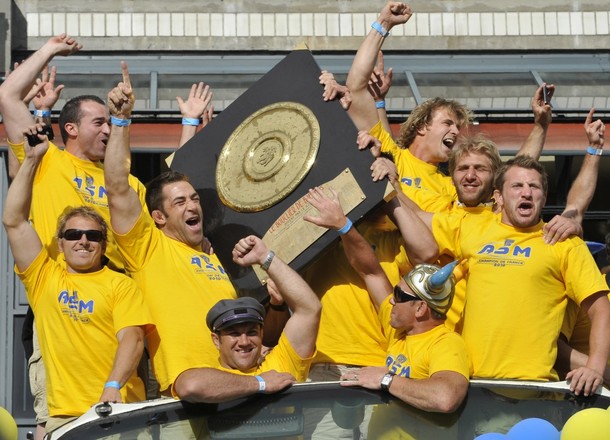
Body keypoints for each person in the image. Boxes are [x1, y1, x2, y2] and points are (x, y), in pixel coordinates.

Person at [103, 64, 287, 397]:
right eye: (180, 203)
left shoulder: (218, 254)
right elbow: (117, 187)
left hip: (240, 389)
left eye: (194, 199)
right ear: (158, 217)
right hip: (188, 396)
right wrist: (120, 121)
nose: (192, 206)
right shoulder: (147, 248)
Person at [398, 154, 610, 395]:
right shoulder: (470, 226)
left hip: (532, 389)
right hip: (472, 387)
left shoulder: (565, 244)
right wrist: (388, 186)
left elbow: (601, 308)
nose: (526, 193)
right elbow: (415, 219)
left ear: (544, 198)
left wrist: (595, 368)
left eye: (534, 187)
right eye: (517, 186)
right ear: (498, 196)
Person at [2, 127, 153, 433]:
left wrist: (113, 385)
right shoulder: (44, 277)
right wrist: (31, 160)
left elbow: (133, 338)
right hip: (66, 419)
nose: (83, 241)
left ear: (103, 244)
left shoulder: (121, 285)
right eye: (73, 234)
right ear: (60, 243)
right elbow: (14, 221)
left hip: (119, 413)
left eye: (93, 236)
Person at [304, 187, 469, 414]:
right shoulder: (397, 332)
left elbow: (445, 398)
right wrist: (343, 226)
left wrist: (387, 380)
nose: (391, 301)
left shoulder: (445, 344)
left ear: (421, 308)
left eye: (398, 296)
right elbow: (370, 270)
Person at [174, 235, 321, 402]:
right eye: (234, 334)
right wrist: (260, 383)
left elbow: (310, 309)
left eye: (251, 332)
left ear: (261, 334)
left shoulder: (279, 366)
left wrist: (265, 257)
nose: (244, 342)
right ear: (216, 340)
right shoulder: (210, 379)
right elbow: (189, 386)